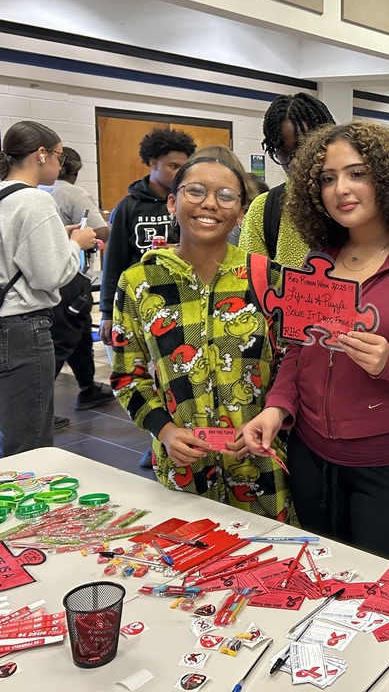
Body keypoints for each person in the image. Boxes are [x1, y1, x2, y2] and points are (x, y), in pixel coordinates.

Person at [242, 121, 389, 571]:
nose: (340, 189)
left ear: (387, 177)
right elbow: (299, 347)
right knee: (323, 583)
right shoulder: (318, 257)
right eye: (327, 178)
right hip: (310, 458)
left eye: (356, 173)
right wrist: (278, 406)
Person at [110, 155, 290, 520]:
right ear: (173, 202)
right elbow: (128, 375)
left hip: (261, 467)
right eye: (196, 191)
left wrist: (272, 415)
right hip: (183, 471)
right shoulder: (140, 281)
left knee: (266, 565)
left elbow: (293, 365)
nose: (210, 203)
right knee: (187, 564)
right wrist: (165, 431)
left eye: (225, 196)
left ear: (241, 213)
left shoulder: (267, 278)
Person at [0, 121, 97, 462]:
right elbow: (52, 276)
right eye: (60, 156)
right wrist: (76, 244)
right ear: (42, 153)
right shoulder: (34, 200)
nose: (60, 166)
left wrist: (56, 237)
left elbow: (9, 250)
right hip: (18, 332)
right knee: (25, 448)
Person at [99, 128, 196, 346]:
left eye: (184, 167)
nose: (180, 173)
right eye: (173, 166)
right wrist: (107, 311)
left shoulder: (188, 202)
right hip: (139, 301)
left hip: (181, 299)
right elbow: (114, 262)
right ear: (153, 164)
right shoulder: (128, 206)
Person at [44, 146, 115, 418]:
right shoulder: (71, 192)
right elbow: (102, 231)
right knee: (63, 339)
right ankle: (39, 408)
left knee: (79, 330)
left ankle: (87, 387)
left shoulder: (38, 190)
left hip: (46, 279)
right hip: (69, 275)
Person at [238, 93, 335, 268]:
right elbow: (250, 283)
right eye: (283, 152)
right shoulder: (264, 210)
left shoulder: (351, 200)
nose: (296, 162)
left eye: (303, 148)